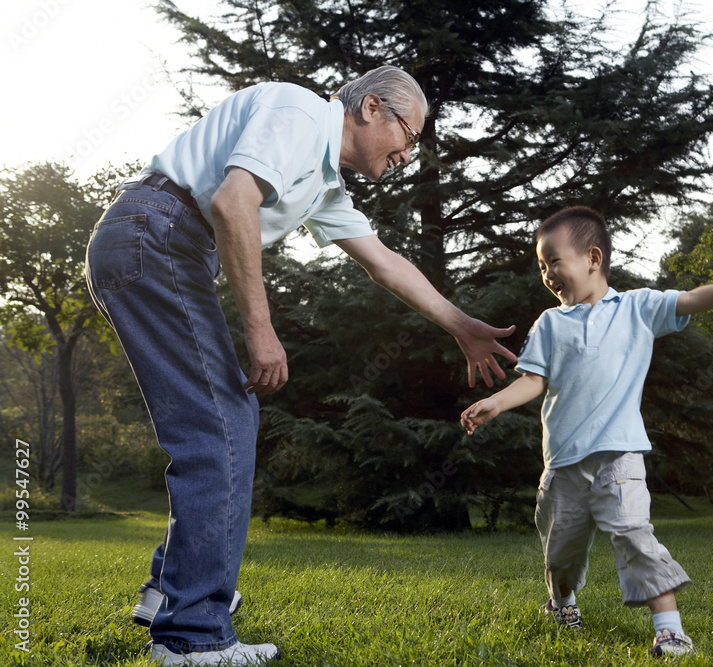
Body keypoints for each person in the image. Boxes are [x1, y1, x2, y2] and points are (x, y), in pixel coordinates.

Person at [85, 66, 516, 666]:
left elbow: (386, 262)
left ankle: (171, 595)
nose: (407, 156)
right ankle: (190, 636)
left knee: (220, 425)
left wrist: (461, 325)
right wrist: (261, 331)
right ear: (370, 108)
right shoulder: (298, 112)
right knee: (218, 430)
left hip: (154, 241)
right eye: (408, 137)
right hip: (159, 237)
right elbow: (233, 204)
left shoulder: (323, 183)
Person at [460, 206, 713, 658]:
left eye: (554, 261)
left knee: (635, 534)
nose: (547, 273)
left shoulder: (637, 308)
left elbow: (688, 300)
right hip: (564, 466)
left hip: (620, 457)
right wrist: (494, 402)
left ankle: (670, 629)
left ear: (593, 258)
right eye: (541, 265)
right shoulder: (550, 324)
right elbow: (533, 381)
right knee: (560, 555)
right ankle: (563, 602)